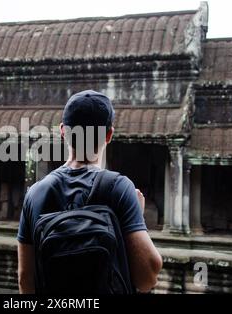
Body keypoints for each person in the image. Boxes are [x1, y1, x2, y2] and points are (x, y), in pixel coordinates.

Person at [17, 90, 162, 294]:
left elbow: (25, 280)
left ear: (63, 131)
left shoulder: (35, 194)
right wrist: (138, 215)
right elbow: (147, 278)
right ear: (109, 134)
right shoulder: (119, 188)